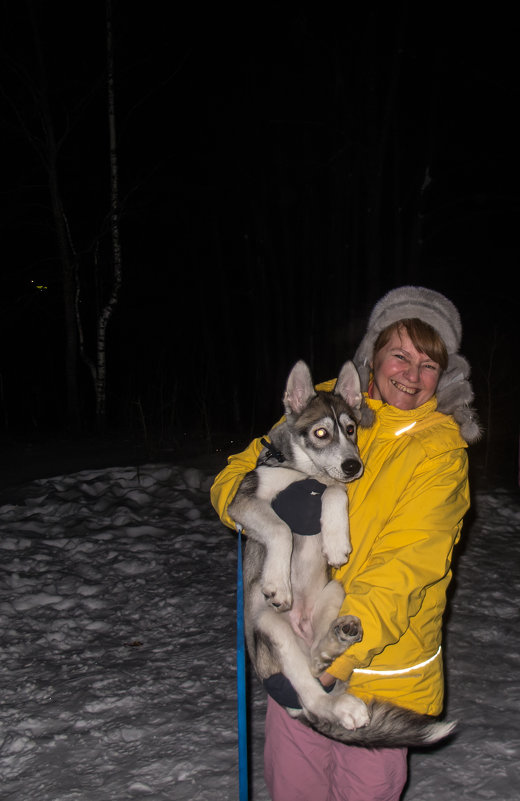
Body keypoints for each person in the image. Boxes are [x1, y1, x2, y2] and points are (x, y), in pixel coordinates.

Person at [211, 286, 480, 801]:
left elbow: (407, 569)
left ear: (444, 376)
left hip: (375, 664)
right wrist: (249, 505)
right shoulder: (324, 405)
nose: (411, 372)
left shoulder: (440, 452)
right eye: (399, 354)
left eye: (429, 364)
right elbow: (239, 473)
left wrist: (329, 665)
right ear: (372, 356)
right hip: (292, 639)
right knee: (295, 790)